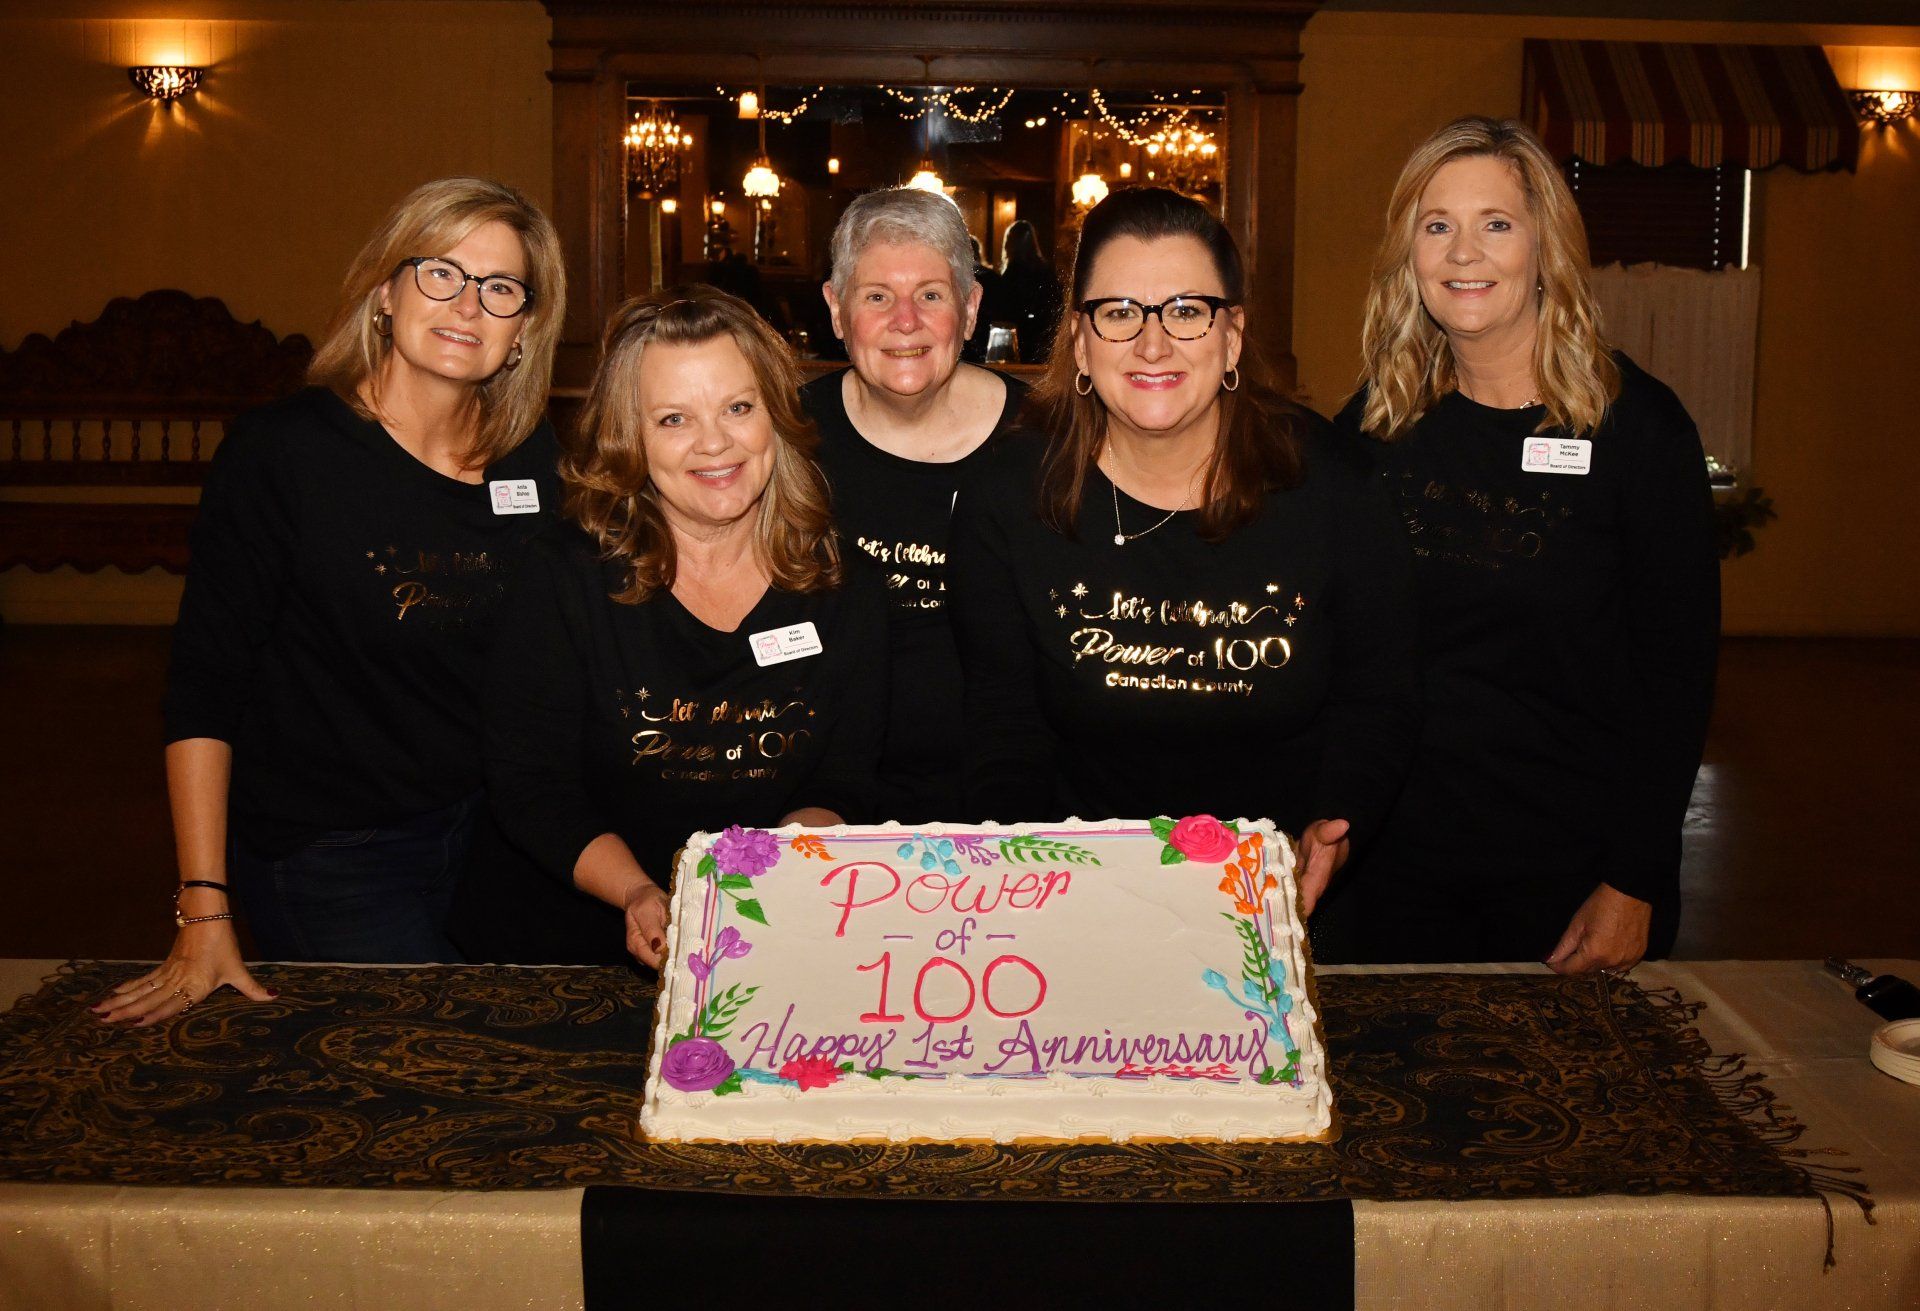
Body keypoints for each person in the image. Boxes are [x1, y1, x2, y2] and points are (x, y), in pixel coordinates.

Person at [94, 177, 568, 1025]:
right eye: (441, 273)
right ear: (386, 292)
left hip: (489, 832)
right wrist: (205, 903)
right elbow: (205, 685)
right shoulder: (286, 454)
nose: (468, 304)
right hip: (331, 847)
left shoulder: (528, 457)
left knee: (542, 1043)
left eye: (500, 288)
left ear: (524, 328)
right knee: (428, 1061)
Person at [949, 188, 1420, 915]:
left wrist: (1337, 819)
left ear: (1231, 336)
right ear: (1079, 340)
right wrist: (1029, 880)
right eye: (1119, 312)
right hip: (1080, 894)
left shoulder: (1333, 484)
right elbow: (1003, 724)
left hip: (1283, 894)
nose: (1152, 343)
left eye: (1186, 310)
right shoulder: (1008, 495)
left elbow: (1378, 695)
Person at [1325, 117, 1719, 972]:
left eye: (1495, 224)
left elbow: (1676, 679)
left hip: (1566, 875)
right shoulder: (1377, 423)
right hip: (1391, 871)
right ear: (1410, 254)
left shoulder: (1638, 431)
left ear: (1546, 244)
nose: (1465, 253)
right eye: (1438, 226)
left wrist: (1633, 880)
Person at [449, 287, 886, 968]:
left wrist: (764, 880)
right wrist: (639, 892)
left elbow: (844, 778)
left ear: (775, 413)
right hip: (564, 949)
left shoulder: (842, 584)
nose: (715, 442)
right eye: (674, 418)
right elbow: (530, 783)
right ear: (632, 437)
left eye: (739, 407)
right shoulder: (566, 574)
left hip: (764, 937)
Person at [804, 187, 1025, 823]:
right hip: (824, 806)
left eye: (931, 294)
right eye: (877, 296)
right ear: (837, 310)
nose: (906, 321)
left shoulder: (1048, 444)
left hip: (1022, 808)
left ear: (972, 306)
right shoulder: (783, 445)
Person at [997, 219, 1062, 365]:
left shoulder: (1012, 273)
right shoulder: (1045, 270)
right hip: (1042, 334)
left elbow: (1005, 309)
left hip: (1019, 335)